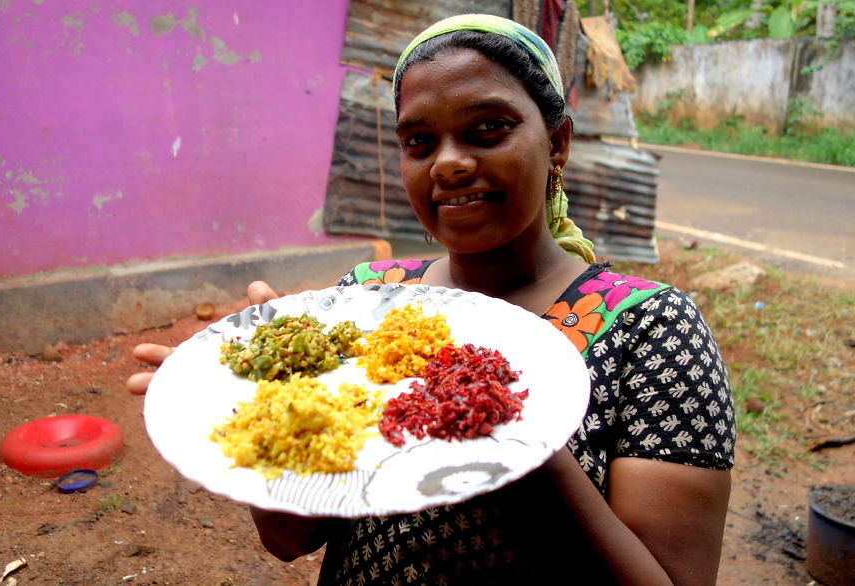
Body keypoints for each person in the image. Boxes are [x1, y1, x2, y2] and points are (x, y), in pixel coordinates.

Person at [128, 14, 735, 585]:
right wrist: (268, 400)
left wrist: (524, 448)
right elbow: (291, 537)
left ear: (558, 143)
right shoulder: (364, 301)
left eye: (488, 128)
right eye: (419, 141)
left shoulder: (652, 330)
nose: (448, 163)